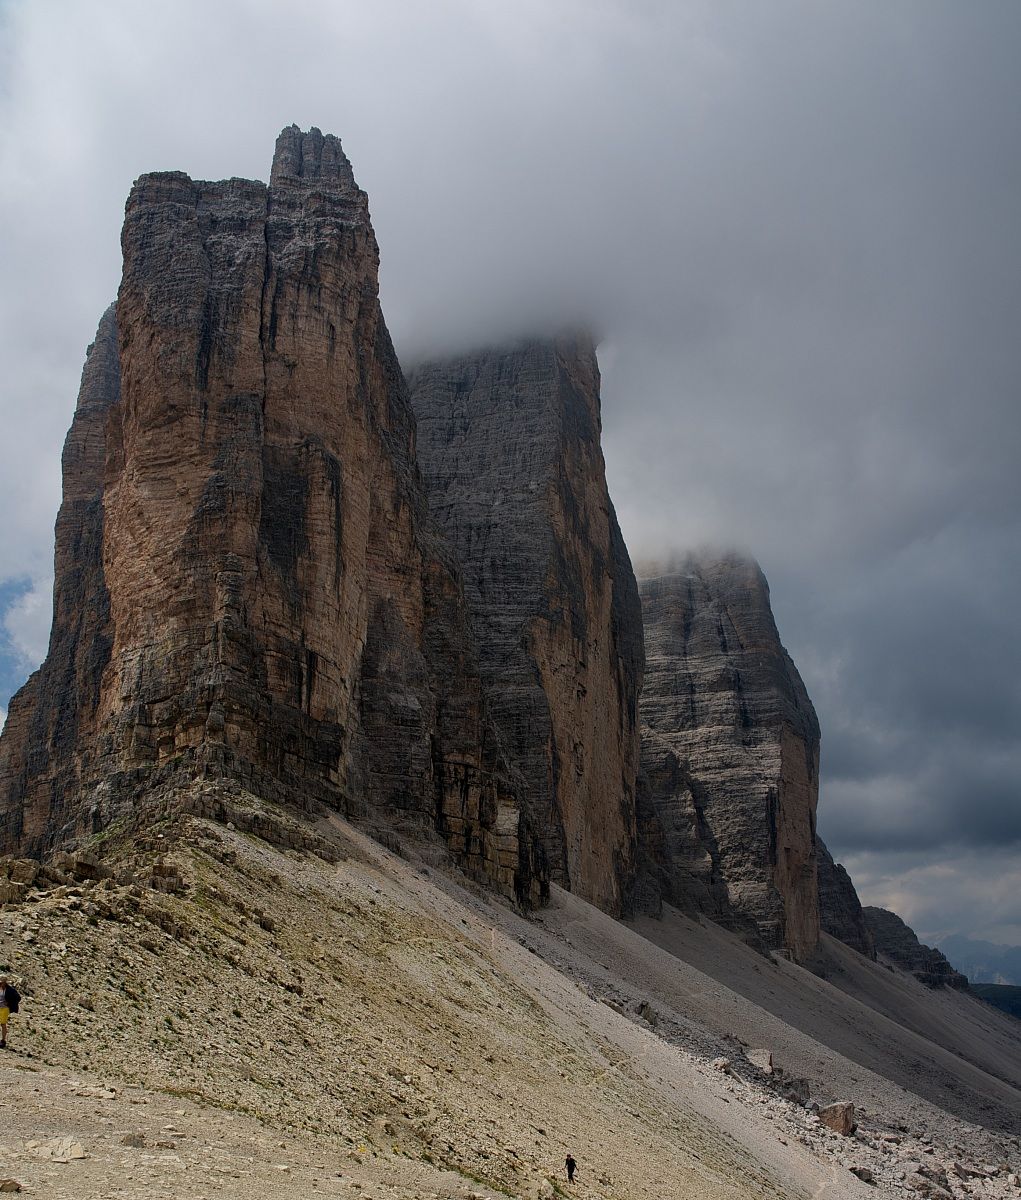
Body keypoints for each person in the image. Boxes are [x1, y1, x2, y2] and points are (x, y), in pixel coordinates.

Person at [0, 976, 20, 1050]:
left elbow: (18, 998)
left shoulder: (10, 990)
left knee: (3, 1023)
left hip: (5, 1008)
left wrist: (9, 1004)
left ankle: (3, 1040)